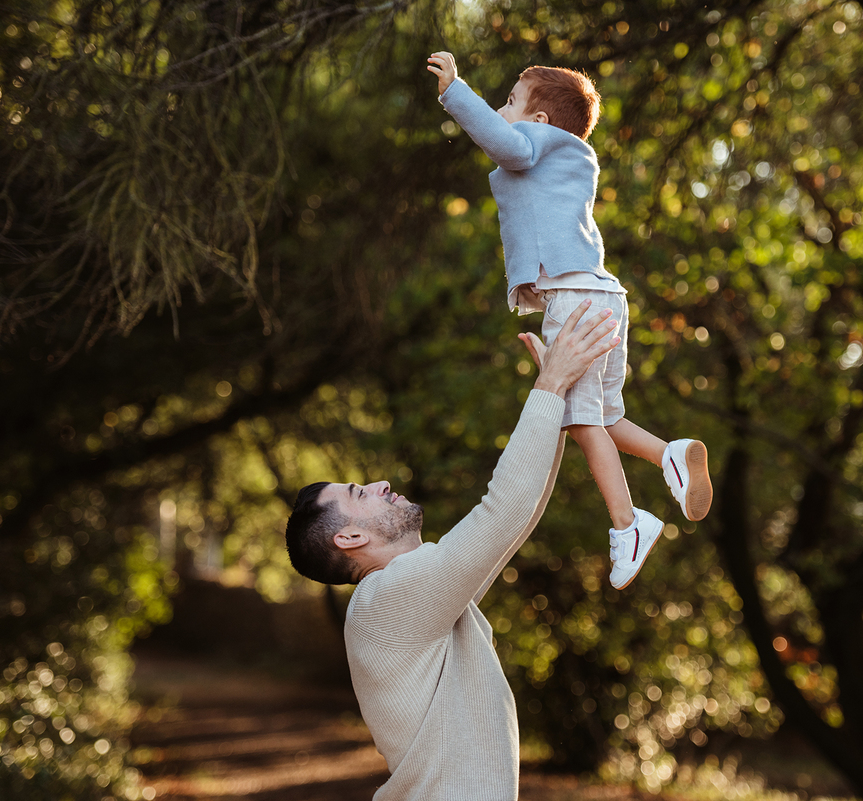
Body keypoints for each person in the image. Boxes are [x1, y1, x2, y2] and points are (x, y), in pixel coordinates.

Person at [284, 301, 619, 801]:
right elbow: (499, 514)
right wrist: (548, 388)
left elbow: (511, 524)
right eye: (359, 493)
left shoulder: (406, 599)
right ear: (350, 539)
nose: (380, 483)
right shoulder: (384, 602)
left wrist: (562, 401)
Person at [427, 51, 712, 589]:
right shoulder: (570, 156)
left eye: (508, 101)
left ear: (539, 121)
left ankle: (630, 525)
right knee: (600, 415)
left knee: (577, 420)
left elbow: (502, 141)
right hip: (602, 296)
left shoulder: (535, 144)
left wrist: (455, 93)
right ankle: (669, 454)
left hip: (576, 301)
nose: (499, 109)